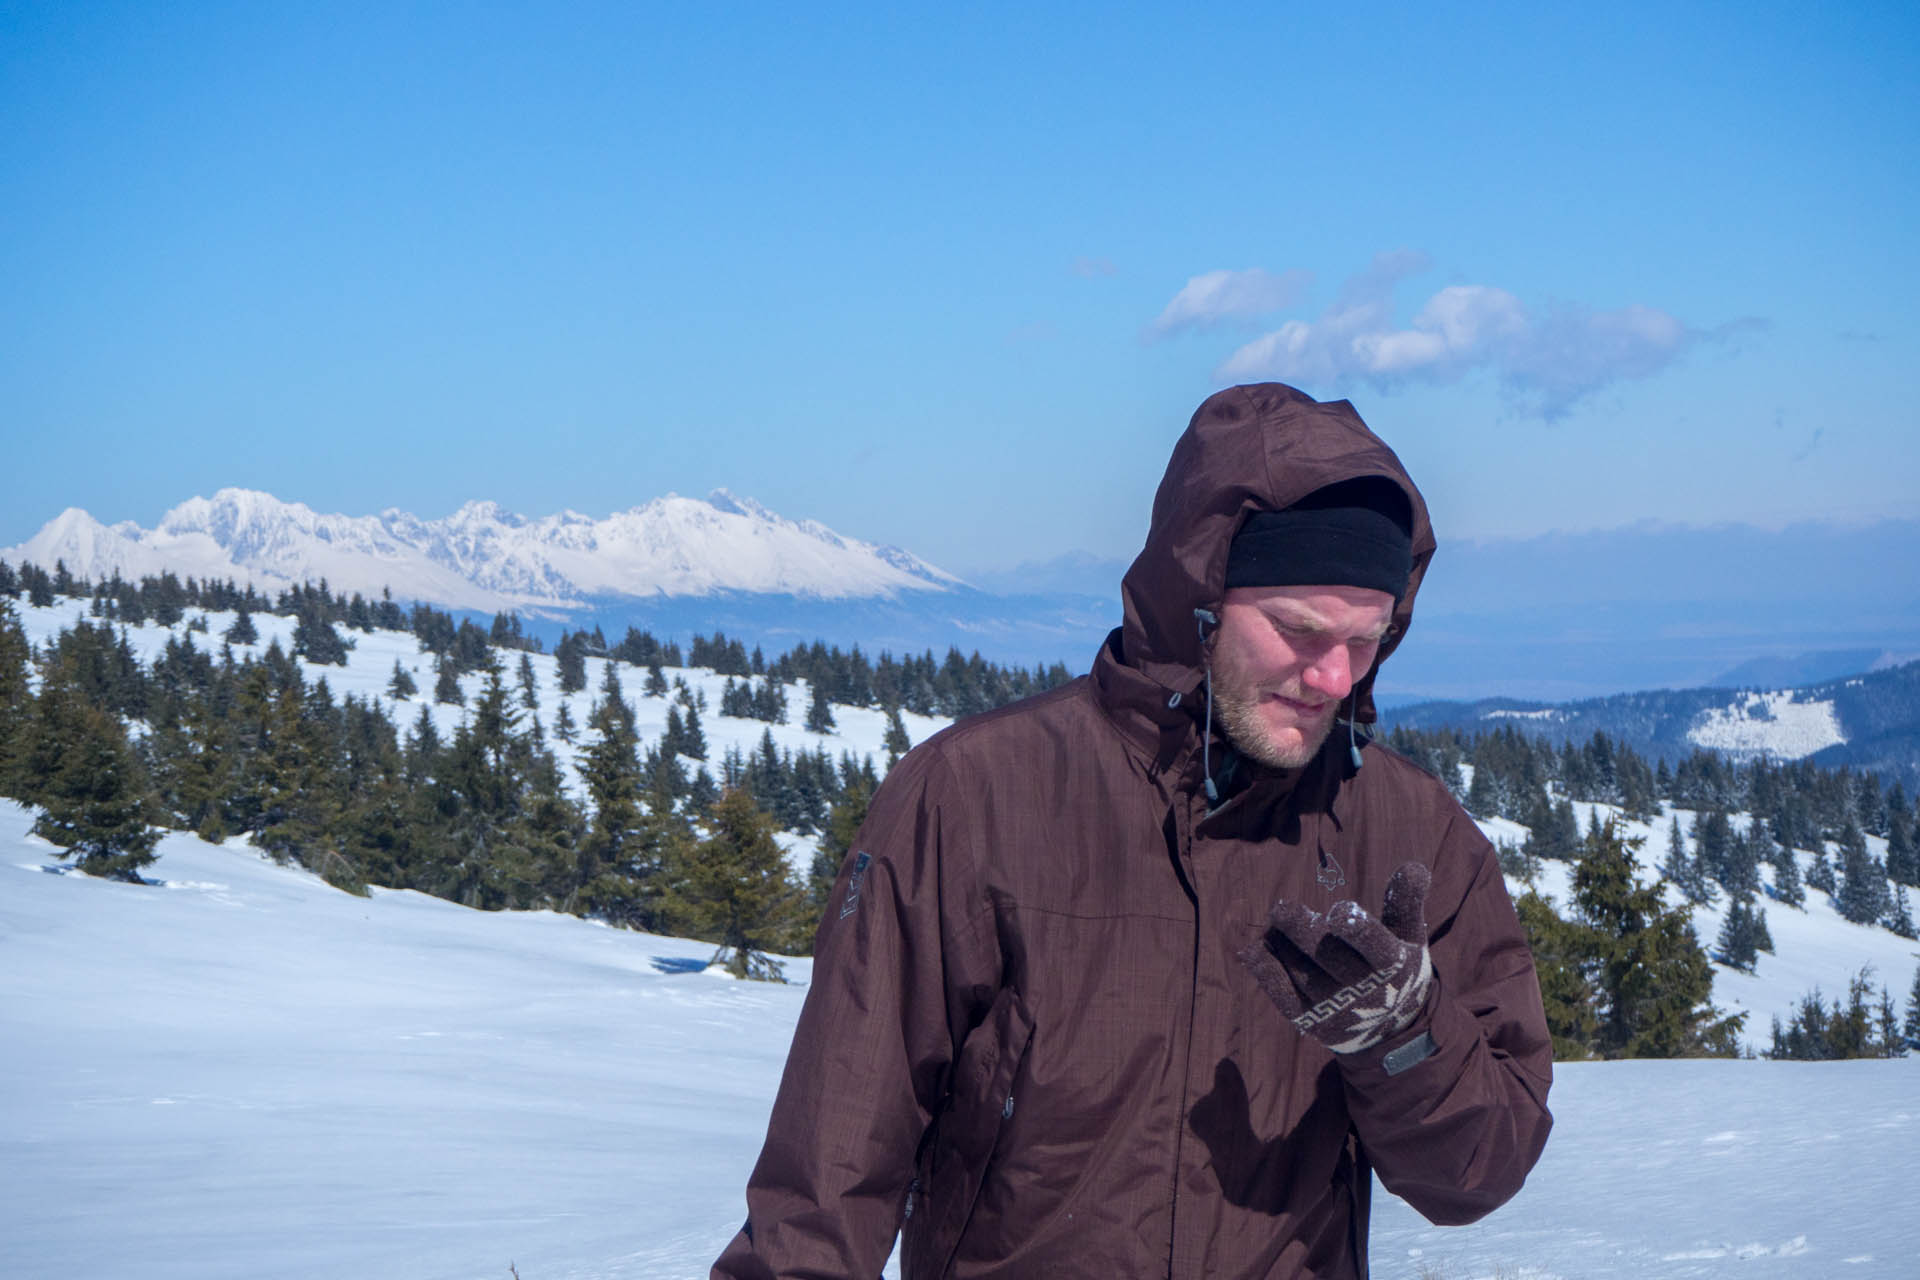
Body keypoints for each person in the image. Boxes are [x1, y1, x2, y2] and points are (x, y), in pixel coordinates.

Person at [713, 383, 1554, 1279]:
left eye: (1369, 638)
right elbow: (828, 1181)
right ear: (1200, 599)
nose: (1335, 677)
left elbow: (1478, 1173)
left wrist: (1404, 1034)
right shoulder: (974, 798)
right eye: (1299, 630)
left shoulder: (1408, 831)